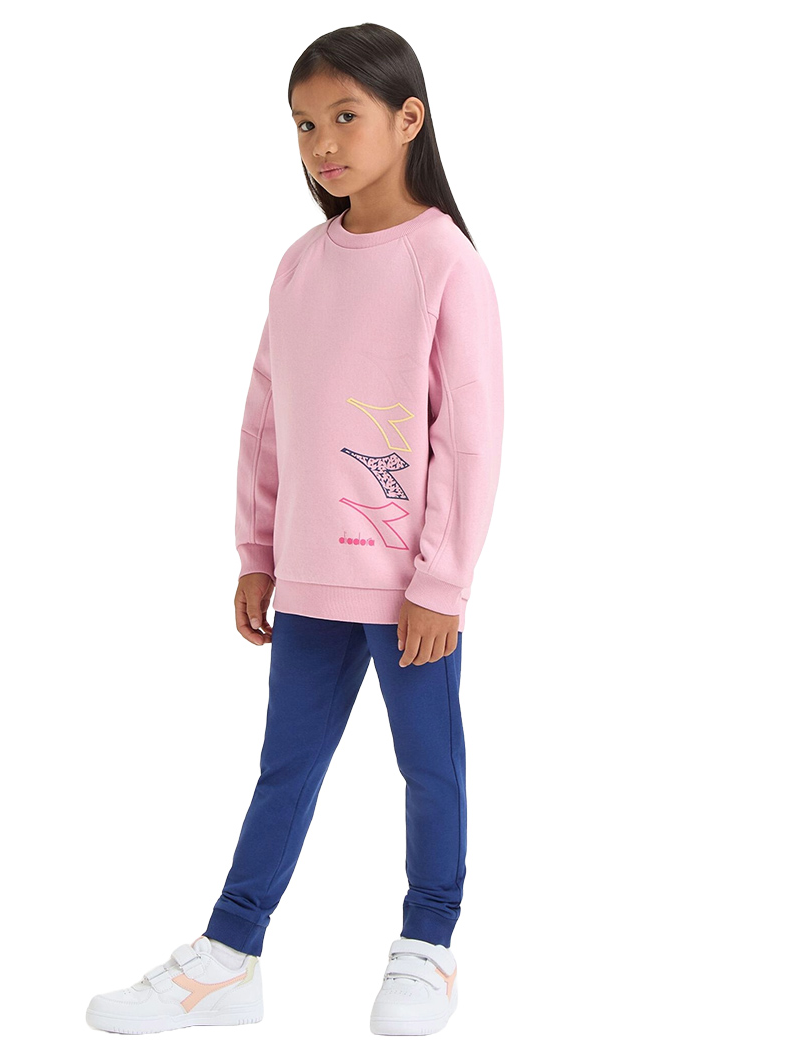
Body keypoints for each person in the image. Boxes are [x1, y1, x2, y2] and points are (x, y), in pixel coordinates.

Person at [86, 22, 504, 1038]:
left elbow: (470, 434)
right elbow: (267, 412)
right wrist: (257, 551)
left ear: (409, 120)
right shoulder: (301, 265)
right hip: (311, 574)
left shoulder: (445, 263)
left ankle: (429, 945)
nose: (323, 143)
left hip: (408, 588)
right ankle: (230, 955)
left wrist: (442, 581)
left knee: (429, 768)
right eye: (305, 125)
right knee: (286, 768)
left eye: (345, 117)